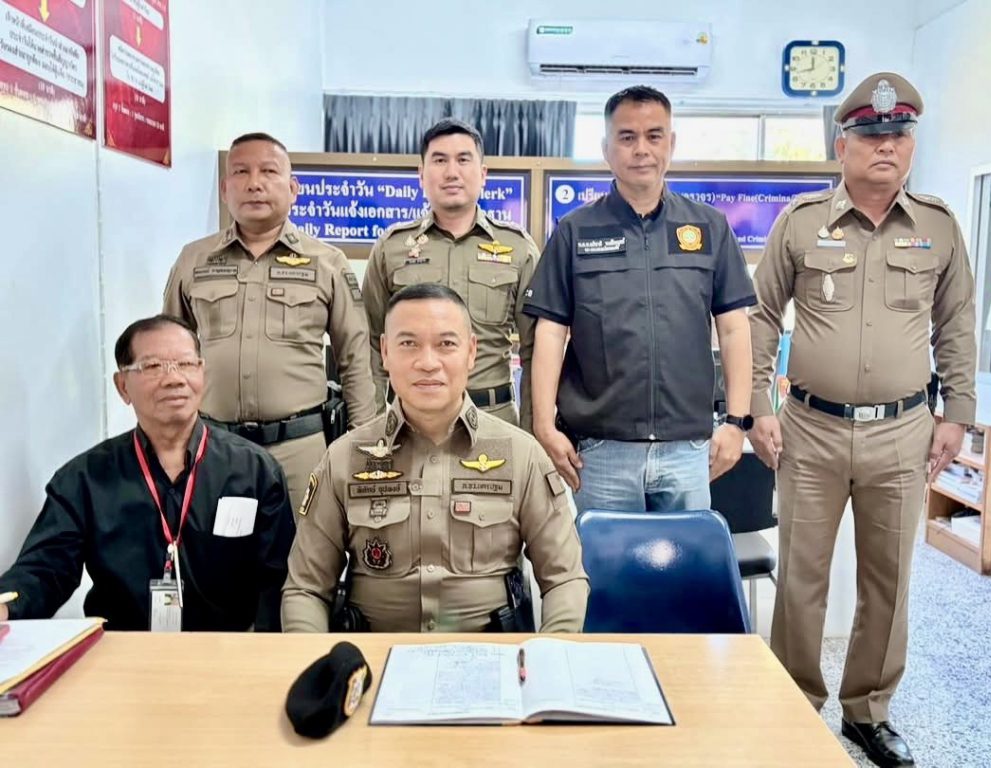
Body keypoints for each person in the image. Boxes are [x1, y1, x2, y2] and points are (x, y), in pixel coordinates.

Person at [748, 72, 977, 768]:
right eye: (871, 134)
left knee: (889, 580)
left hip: (904, 431)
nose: (886, 146)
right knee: (802, 577)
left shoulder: (937, 226)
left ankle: (868, 712)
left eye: (898, 134)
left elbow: (956, 323)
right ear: (841, 145)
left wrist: (957, 412)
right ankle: (794, 703)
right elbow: (761, 315)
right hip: (811, 428)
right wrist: (757, 405)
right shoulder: (801, 221)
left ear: (912, 146)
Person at [281, 284, 588, 633]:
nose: (427, 363)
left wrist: (549, 653)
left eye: (446, 344)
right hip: (373, 654)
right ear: (385, 351)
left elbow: (565, 579)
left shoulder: (522, 456)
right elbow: (306, 588)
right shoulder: (344, 458)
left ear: (471, 352)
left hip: (490, 657)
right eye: (408, 344)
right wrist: (317, 660)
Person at [523, 85, 756, 513]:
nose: (641, 149)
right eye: (627, 137)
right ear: (606, 149)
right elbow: (551, 334)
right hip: (600, 453)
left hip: (688, 450)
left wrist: (738, 422)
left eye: (654, 136)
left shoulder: (709, 228)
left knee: (684, 557)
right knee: (603, 559)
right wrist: (543, 424)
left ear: (671, 144)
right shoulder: (575, 231)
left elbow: (734, 329)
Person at [0, 316, 295, 631]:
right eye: (153, 366)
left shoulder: (254, 471)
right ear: (122, 386)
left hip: (228, 647)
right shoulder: (85, 479)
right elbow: (45, 569)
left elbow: (276, 581)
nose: (174, 379)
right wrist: (6, 606)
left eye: (186, 364)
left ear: (202, 373)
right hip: (123, 648)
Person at [163, 132, 376, 516]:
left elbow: (356, 360)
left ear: (293, 188)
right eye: (241, 172)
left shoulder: (327, 262)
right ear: (225, 189)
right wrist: (166, 436)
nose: (254, 183)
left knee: (306, 549)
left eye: (268, 171)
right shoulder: (193, 260)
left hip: (300, 450)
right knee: (215, 548)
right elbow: (167, 355)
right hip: (215, 447)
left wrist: (364, 448)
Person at [361, 118, 539, 432]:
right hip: (409, 424)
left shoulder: (518, 248)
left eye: (463, 160)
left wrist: (532, 432)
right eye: (440, 160)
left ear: (483, 174)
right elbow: (372, 343)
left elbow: (535, 350)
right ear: (421, 174)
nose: (451, 172)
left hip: (493, 421)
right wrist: (374, 426)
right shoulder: (392, 247)